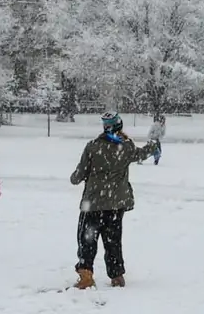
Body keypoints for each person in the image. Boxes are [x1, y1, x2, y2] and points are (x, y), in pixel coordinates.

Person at [70, 112, 159, 289]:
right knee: (113, 241)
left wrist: (75, 177)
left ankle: (86, 275)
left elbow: (78, 176)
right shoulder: (126, 147)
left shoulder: (93, 147)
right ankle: (117, 276)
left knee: (87, 240)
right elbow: (140, 154)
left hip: (93, 204)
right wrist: (153, 145)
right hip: (116, 205)